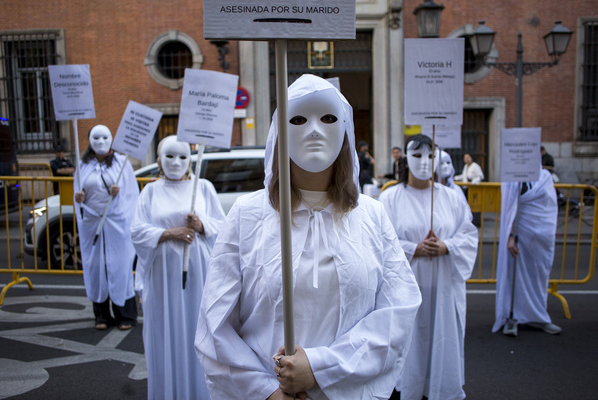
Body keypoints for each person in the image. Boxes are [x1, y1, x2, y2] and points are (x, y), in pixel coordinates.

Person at [195, 74, 422, 400]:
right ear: (280, 131)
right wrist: (267, 392)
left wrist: (318, 369)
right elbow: (215, 324)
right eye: (298, 119)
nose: (314, 130)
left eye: (328, 118)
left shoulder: (372, 215)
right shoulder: (247, 215)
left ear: (344, 128)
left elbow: (397, 313)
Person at [379, 134, 478, 400]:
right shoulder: (390, 199)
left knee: (441, 339)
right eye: (418, 155)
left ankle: (440, 387)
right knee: (410, 342)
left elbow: (468, 234)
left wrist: (447, 246)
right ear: (406, 159)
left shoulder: (452, 198)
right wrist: (414, 249)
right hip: (407, 289)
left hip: (443, 287)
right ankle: (408, 387)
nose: (424, 162)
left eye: (430, 155)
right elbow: (380, 241)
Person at [131, 135, 225, 400]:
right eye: (169, 156)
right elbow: (137, 230)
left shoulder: (203, 188)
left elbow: (224, 228)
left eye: (183, 156)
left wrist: (201, 225)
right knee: (166, 332)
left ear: (191, 159)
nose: (176, 162)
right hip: (163, 275)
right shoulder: (150, 190)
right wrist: (170, 233)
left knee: (198, 331)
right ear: (159, 159)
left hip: (198, 273)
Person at [74, 124, 138, 331]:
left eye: (105, 138)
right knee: (96, 267)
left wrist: (119, 193)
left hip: (117, 223)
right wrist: (80, 198)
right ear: (89, 140)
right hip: (92, 224)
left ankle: (125, 314)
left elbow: (131, 195)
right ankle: (101, 314)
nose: (101, 142)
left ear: (111, 139)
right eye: (96, 138)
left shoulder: (121, 163)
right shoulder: (82, 164)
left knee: (120, 266)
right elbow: (79, 193)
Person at [492, 169, 561, 335]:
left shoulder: (545, 177)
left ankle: (538, 317)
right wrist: (510, 235)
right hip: (518, 236)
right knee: (514, 278)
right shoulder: (512, 177)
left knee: (537, 278)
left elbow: (549, 207)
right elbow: (509, 209)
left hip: (541, 241)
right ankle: (512, 316)